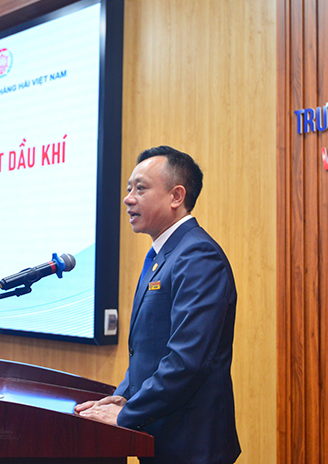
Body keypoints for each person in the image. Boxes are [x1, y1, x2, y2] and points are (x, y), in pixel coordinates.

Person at [75, 146, 241, 464]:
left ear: (176, 196)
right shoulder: (161, 255)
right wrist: (123, 396)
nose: (128, 199)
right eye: (128, 189)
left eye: (140, 188)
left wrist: (128, 414)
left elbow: (187, 361)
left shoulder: (198, 256)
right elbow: (147, 350)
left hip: (191, 445)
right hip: (160, 435)